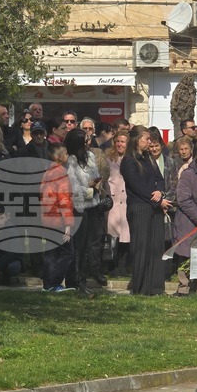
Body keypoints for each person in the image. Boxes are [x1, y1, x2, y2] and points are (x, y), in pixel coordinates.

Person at [120, 125, 171, 296]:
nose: (149, 142)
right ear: (136, 140)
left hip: (154, 207)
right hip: (140, 207)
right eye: (146, 139)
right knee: (141, 247)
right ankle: (140, 287)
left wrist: (160, 192)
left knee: (155, 246)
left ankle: (155, 286)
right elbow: (137, 186)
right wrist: (157, 200)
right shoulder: (129, 160)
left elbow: (159, 178)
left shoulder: (148, 157)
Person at [64, 128, 102, 295]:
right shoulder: (70, 161)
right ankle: (76, 281)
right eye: (86, 139)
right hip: (78, 208)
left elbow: (97, 177)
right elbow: (73, 188)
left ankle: (83, 279)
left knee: (89, 246)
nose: (89, 141)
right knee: (78, 247)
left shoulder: (91, 156)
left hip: (94, 206)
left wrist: (97, 185)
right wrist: (91, 190)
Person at [172, 142, 197, 297]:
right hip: (188, 220)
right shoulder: (188, 174)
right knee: (186, 253)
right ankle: (184, 286)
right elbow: (183, 199)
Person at [40, 143, 75, 293]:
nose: (67, 156)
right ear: (59, 157)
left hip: (47, 218)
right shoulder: (61, 172)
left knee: (50, 252)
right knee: (66, 252)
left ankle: (47, 284)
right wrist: (68, 224)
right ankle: (54, 282)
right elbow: (64, 200)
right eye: (66, 153)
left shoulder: (47, 172)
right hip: (58, 220)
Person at [105, 131, 130, 277]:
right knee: (112, 235)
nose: (120, 144)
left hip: (126, 201)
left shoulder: (131, 159)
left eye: (123, 142)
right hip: (113, 202)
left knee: (126, 236)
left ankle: (123, 265)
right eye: (118, 141)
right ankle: (111, 266)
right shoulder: (108, 158)